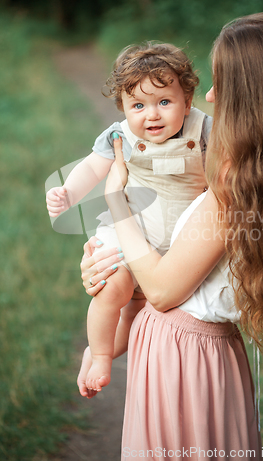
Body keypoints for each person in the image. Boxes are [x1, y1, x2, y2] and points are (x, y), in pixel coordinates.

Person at [79, 11, 263, 460]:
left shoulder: (238, 183)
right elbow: (166, 271)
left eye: (223, 85)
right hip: (206, 353)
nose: (210, 97)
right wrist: (113, 271)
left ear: (260, 98)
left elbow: (161, 290)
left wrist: (116, 201)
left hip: (184, 359)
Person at [46, 42, 213, 392]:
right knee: (112, 289)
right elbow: (92, 167)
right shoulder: (119, 135)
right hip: (130, 229)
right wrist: (68, 194)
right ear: (122, 107)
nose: (151, 115)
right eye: (138, 105)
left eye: (164, 102)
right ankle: (101, 355)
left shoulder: (204, 130)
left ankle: (112, 350)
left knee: (142, 312)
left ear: (187, 99)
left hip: (182, 242)